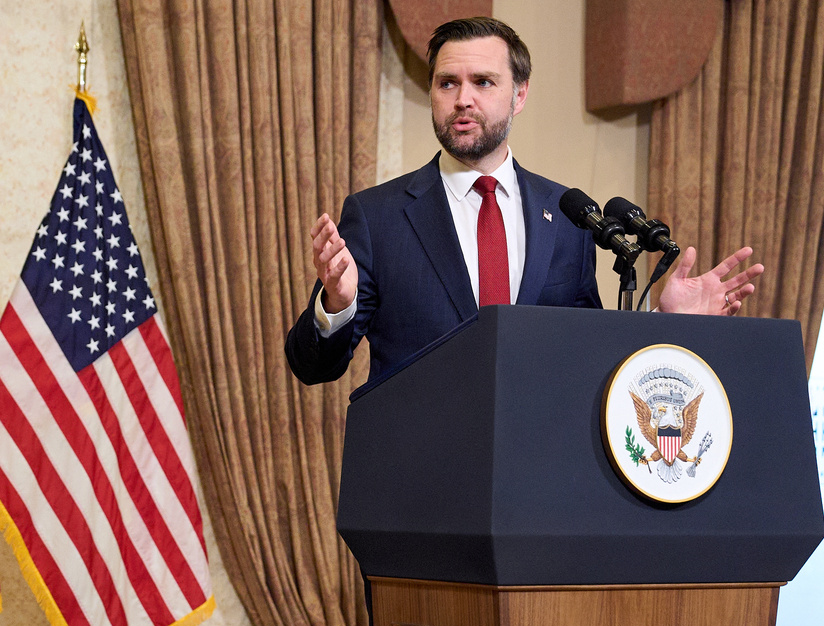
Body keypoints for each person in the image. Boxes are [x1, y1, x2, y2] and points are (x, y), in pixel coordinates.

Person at [286, 17, 763, 387]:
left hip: (537, 482)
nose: (462, 99)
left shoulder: (569, 214)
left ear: (520, 94)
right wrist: (337, 304)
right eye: (447, 83)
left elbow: (588, 359)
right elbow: (312, 367)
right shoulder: (377, 217)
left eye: (484, 82)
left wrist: (666, 323)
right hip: (419, 486)